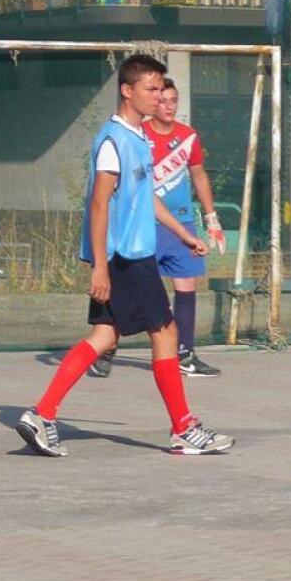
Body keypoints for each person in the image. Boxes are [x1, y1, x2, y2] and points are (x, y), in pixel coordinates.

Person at [15, 54, 235, 458]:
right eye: (150, 90)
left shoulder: (137, 139)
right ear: (127, 91)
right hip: (126, 258)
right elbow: (100, 205)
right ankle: (184, 428)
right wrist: (100, 265)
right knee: (166, 333)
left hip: (133, 255)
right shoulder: (114, 141)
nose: (158, 97)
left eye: (160, 89)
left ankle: (42, 414)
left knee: (104, 336)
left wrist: (185, 234)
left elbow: (145, 198)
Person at [88, 77, 225, 378]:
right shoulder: (134, 136)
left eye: (172, 100)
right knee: (132, 295)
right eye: (159, 98)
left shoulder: (188, 137)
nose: (167, 106)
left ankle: (185, 354)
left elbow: (199, 176)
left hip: (179, 220)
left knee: (185, 288)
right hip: (142, 227)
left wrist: (210, 218)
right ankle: (106, 347)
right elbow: (108, 197)